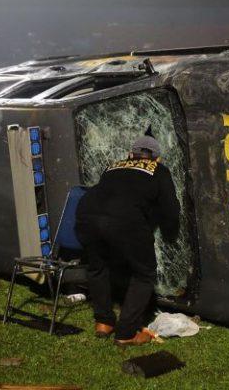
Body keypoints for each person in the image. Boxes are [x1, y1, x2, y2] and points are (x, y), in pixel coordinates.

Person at [75, 131, 180, 346]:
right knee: (144, 274)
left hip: (86, 214)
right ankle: (126, 332)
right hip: (124, 220)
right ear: (157, 158)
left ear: (130, 155)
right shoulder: (159, 170)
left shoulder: (113, 166)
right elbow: (171, 209)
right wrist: (171, 230)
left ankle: (104, 322)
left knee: (97, 267)